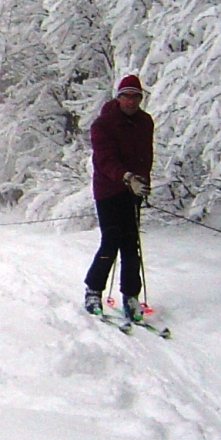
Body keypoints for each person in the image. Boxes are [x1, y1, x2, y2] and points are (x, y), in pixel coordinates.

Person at [84, 75, 154, 321]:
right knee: (111, 241)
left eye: (136, 96)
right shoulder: (103, 124)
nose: (131, 101)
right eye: (127, 95)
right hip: (108, 191)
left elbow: (146, 156)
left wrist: (143, 183)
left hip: (133, 192)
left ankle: (131, 296)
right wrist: (126, 178)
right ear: (118, 97)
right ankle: (93, 290)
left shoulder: (145, 122)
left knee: (131, 245)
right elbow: (104, 160)